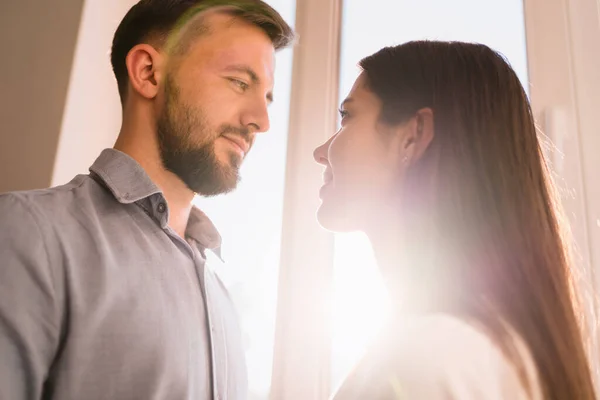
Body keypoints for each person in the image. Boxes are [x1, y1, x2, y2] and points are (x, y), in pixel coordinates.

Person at [0, 1, 294, 399]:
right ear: (148, 72)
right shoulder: (27, 233)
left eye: (268, 96)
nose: (261, 120)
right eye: (240, 83)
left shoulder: (222, 298)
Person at [314, 41, 596, 399]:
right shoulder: (494, 352)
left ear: (412, 136)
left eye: (348, 116)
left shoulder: (427, 362)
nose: (320, 152)